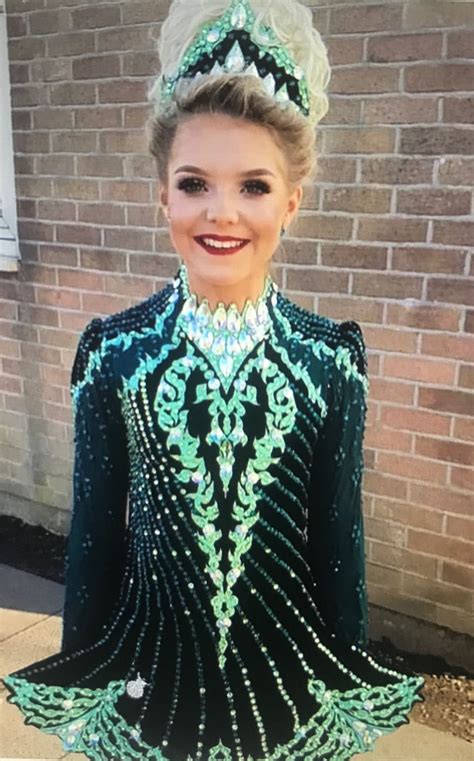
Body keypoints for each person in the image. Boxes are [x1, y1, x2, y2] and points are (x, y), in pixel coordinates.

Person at [2, 1, 425, 758]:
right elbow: (96, 538)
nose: (221, 212)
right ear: (161, 193)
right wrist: (80, 695)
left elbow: (338, 547)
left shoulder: (330, 363)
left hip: (283, 691)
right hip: (147, 686)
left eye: (253, 186)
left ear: (292, 200)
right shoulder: (112, 353)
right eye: (195, 183)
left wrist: (346, 698)